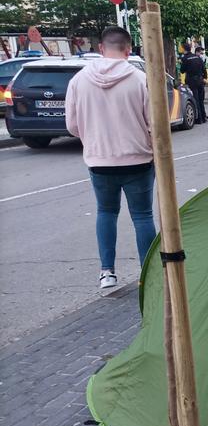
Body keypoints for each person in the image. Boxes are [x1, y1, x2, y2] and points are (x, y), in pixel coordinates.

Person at [65, 27, 156, 289]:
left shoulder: (78, 81)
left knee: (106, 212)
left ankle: (107, 272)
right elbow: (153, 122)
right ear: (128, 50)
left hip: (99, 160)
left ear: (101, 49)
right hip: (138, 158)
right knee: (142, 216)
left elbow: (72, 126)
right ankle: (147, 274)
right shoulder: (140, 79)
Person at [180, 43, 207, 124]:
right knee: (201, 99)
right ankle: (204, 116)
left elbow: (182, 70)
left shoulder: (185, 58)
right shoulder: (197, 57)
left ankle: (199, 119)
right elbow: (204, 69)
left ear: (184, 49)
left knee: (195, 99)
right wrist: (204, 78)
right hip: (200, 80)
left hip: (192, 81)